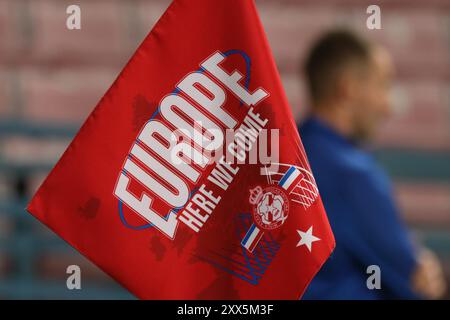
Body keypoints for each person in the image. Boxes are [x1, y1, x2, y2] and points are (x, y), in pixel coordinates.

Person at [298, 30, 446, 299]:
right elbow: (416, 282)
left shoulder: (281, 158)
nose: (388, 106)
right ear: (348, 89)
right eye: (383, 85)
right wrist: (422, 269)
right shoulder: (353, 173)